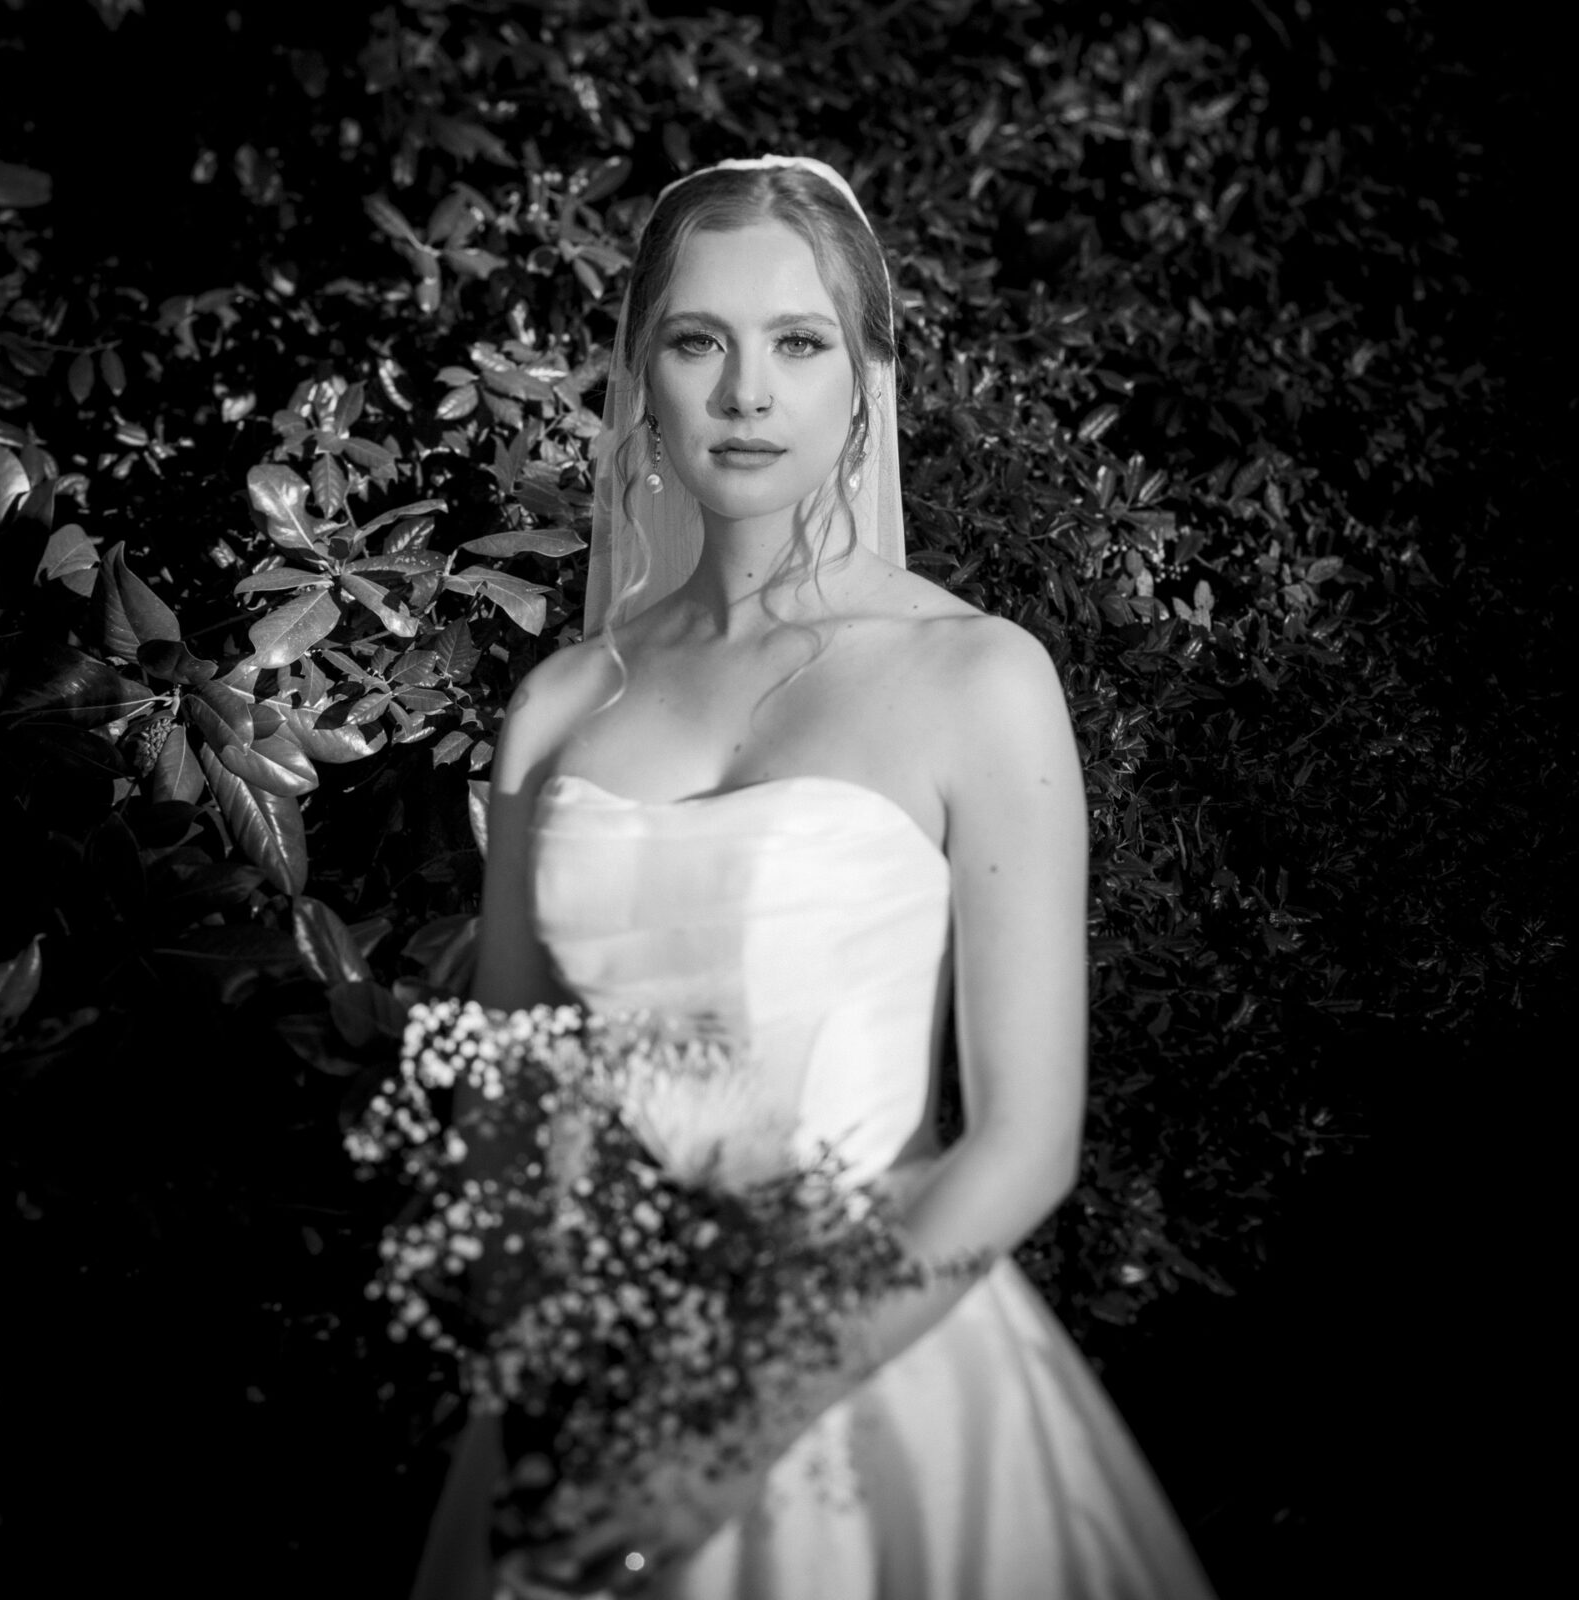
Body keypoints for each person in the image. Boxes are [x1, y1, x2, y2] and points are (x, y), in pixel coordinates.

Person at [411, 156, 1216, 1600]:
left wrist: (730, 1428)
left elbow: (1024, 1144)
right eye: (697, 340)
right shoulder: (558, 709)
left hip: (881, 1376)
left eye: (799, 343)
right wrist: (554, 1367)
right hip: (597, 1372)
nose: (746, 392)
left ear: (869, 382)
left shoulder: (976, 678)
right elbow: (510, 1111)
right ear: (641, 375)